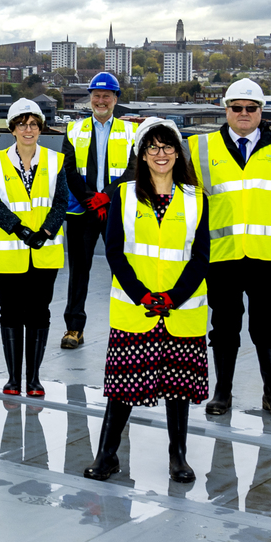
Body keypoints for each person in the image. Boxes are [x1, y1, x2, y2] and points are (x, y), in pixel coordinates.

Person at [87, 119, 210, 486]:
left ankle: (178, 457)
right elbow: (113, 252)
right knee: (122, 387)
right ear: (141, 154)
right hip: (134, 307)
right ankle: (107, 456)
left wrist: (173, 297)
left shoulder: (197, 198)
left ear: (178, 153)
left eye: (168, 147)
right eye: (153, 147)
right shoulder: (122, 195)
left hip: (181, 309)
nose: (161, 154)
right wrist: (142, 294)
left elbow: (200, 257)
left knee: (177, 387)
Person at [188, 79, 271, 420]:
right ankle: (222, 392)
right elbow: (188, 206)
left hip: (267, 256)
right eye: (236, 107)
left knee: (267, 327)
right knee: (224, 327)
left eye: (251, 108)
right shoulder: (201, 147)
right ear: (225, 110)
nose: (243, 114)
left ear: (261, 111)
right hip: (221, 256)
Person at [0, 97, 72, 399]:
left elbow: (61, 202)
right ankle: (12, 378)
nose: (28, 129)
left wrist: (44, 231)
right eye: (22, 124)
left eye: (33, 124)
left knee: (39, 312)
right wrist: (20, 230)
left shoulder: (56, 161)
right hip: (7, 253)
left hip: (45, 251)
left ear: (40, 128)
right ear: (12, 129)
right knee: (10, 312)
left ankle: (33, 379)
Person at [60, 71, 138, 349]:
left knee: (123, 268)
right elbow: (68, 169)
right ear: (90, 98)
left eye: (106, 95)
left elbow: (133, 170)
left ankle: (129, 328)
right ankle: (73, 329)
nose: (101, 100)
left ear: (116, 99)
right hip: (82, 211)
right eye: (96, 95)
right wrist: (88, 200)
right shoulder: (73, 129)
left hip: (115, 210)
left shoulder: (131, 131)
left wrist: (106, 197)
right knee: (79, 271)